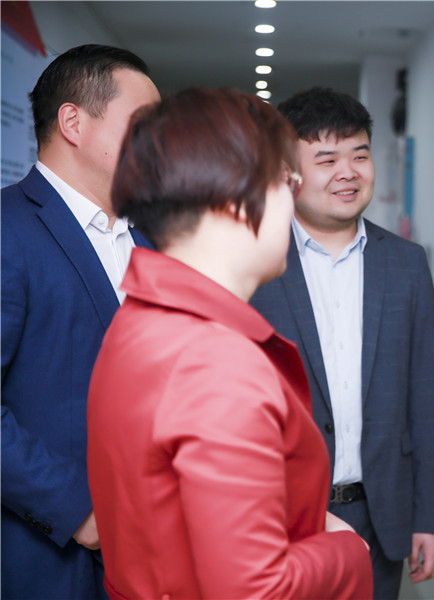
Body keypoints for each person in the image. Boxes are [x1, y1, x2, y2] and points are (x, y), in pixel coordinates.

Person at [86, 87, 373, 599]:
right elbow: (254, 590)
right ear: (235, 200)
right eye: (286, 182)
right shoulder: (214, 363)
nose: (292, 202)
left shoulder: (142, 320)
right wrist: (346, 549)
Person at [250, 86, 434, 599]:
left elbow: (426, 397)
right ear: (288, 172)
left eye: (359, 155)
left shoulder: (406, 263)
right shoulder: (254, 262)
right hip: (278, 517)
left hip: (379, 516)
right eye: (326, 159)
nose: (348, 172)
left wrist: (431, 517)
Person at [1, 44, 159, 600]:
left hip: (150, 552)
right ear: (73, 122)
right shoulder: (8, 230)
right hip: (47, 558)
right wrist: (77, 512)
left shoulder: (150, 238)